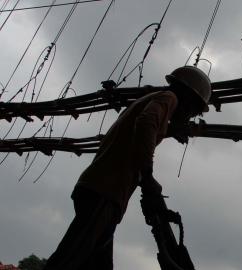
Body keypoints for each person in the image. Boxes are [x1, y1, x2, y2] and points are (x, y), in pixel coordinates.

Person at [43, 66, 212, 270]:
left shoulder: (150, 100)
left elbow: (137, 131)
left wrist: (169, 130)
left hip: (104, 191)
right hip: (105, 190)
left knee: (98, 263)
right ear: (187, 96)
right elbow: (146, 123)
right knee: (69, 258)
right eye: (194, 109)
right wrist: (147, 175)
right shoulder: (169, 98)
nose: (191, 115)